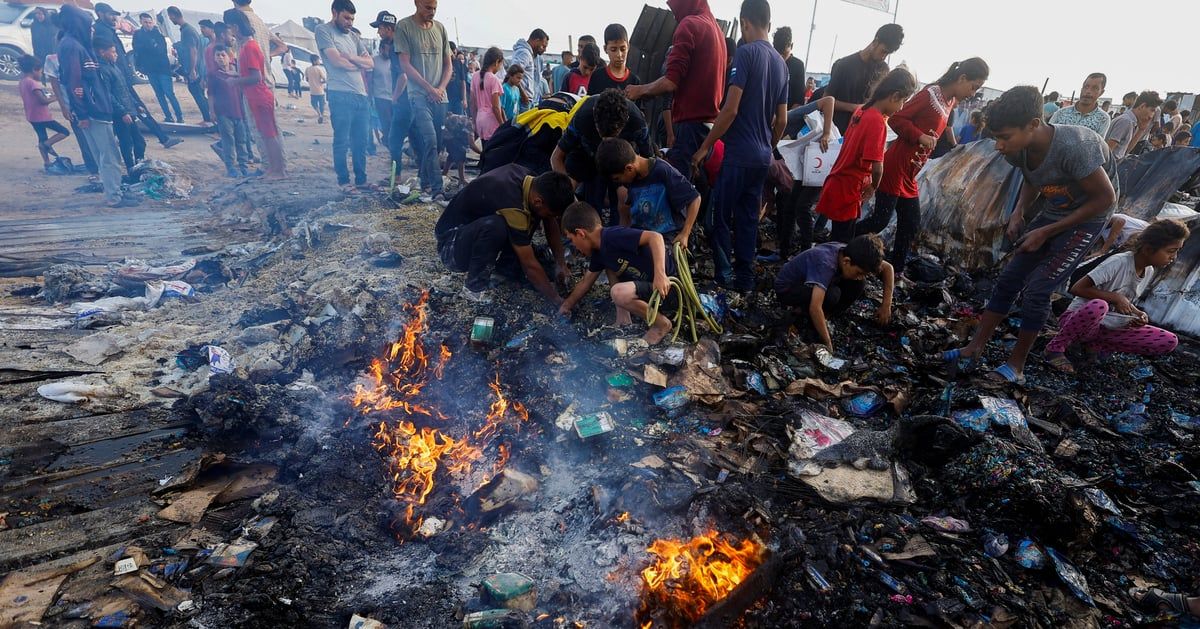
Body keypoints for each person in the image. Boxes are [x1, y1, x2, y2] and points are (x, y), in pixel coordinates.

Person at [945, 86, 1119, 385]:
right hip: (1054, 210)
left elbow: (1105, 199)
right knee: (1010, 278)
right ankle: (974, 348)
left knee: (1038, 289)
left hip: (1088, 217)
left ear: (1034, 125)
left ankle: (1016, 366)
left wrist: (1047, 231)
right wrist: (1019, 212)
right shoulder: (1017, 150)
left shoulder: (1075, 146)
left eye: (1005, 137)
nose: (999, 146)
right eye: (997, 137)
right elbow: (1032, 177)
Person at [856, 59, 989, 275]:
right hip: (895, 166)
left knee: (911, 221)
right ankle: (844, 236)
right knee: (880, 221)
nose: (973, 93)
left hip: (910, 173)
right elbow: (897, 118)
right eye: (973, 86)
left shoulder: (950, 102)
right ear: (962, 78)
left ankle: (895, 270)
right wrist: (920, 137)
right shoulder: (930, 94)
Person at [691, 0, 788, 292]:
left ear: (744, 23)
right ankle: (745, 280)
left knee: (717, 217)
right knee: (748, 218)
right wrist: (768, 145)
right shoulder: (782, 65)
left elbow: (730, 110)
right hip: (762, 157)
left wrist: (704, 147)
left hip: (738, 155)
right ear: (768, 23)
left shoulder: (746, 54)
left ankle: (724, 277)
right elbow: (781, 120)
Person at [1043, 219, 1187, 373]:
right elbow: (1077, 288)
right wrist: (1114, 298)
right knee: (1099, 305)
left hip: (1108, 326)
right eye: (1171, 251)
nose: (1174, 257)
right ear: (1148, 249)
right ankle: (1055, 348)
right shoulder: (1119, 262)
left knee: (1169, 340)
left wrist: (1137, 314)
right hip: (1079, 319)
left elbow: (1124, 300)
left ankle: (1097, 345)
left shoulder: (1149, 271)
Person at [434, 164, 575, 304]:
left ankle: (504, 270)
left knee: (529, 218)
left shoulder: (533, 182)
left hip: (471, 232)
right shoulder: (512, 201)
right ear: (538, 201)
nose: (550, 217)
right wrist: (556, 299)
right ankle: (474, 287)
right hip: (451, 247)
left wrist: (561, 264)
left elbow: (549, 221)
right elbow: (529, 264)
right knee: (495, 227)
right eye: (550, 213)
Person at [625, 0, 726, 182]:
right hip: (707, 131)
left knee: (676, 195)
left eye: (674, 8)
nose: (673, 14)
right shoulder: (716, 31)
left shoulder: (689, 25)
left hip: (689, 128)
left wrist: (639, 90)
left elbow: (671, 81)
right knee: (691, 193)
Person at [814, 69, 916, 243]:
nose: (901, 107)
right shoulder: (877, 122)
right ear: (894, 96)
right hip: (849, 189)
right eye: (903, 101)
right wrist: (873, 187)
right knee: (840, 246)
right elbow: (878, 168)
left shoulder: (861, 111)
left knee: (837, 239)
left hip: (837, 182)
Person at [558, 202, 678, 343]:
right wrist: (566, 306)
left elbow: (655, 237)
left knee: (618, 292)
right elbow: (586, 282)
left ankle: (661, 324)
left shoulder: (613, 236)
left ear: (580, 233)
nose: (575, 247)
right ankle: (623, 319)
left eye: (572, 240)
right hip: (650, 291)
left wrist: (660, 275)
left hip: (668, 289)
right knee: (609, 266)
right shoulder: (599, 252)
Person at [58, 4, 133, 207]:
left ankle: (114, 190)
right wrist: (81, 113)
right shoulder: (72, 47)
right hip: (93, 113)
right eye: (88, 26)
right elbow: (73, 82)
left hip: (93, 110)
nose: (92, 30)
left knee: (104, 155)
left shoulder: (78, 46)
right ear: (78, 25)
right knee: (109, 155)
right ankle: (114, 197)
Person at [774, 234, 894, 353]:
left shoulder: (852, 253)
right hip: (788, 289)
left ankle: (825, 316)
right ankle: (806, 317)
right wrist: (827, 342)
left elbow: (888, 268)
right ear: (847, 261)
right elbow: (815, 307)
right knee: (832, 295)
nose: (860, 276)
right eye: (859, 272)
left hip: (810, 285)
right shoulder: (826, 263)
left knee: (859, 283)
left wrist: (886, 305)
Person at [552, 88, 651, 220]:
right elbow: (556, 157)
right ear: (594, 117)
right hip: (587, 157)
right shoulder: (583, 118)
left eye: (613, 135)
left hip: (621, 162)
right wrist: (568, 193)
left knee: (623, 200)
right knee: (590, 203)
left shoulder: (636, 122)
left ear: (626, 121)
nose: (606, 141)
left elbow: (649, 161)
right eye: (602, 134)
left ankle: (619, 233)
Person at [95, 3, 179, 149]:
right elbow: (111, 57)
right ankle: (162, 138)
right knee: (135, 108)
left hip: (120, 77)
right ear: (100, 14)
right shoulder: (102, 32)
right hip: (117, 78)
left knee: (135, 108)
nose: (114, 18)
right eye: (110, 14)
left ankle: (161, 138)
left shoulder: (108, 30)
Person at [395, 0, 452, 202]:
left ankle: (424, 180)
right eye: (428, 7)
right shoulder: (404, 26)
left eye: (435, 8)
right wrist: (429, 88)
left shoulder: (441, 29)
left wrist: (441, 88)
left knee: (436, 143)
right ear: (417, 3)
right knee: (430, 140)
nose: (432, 12)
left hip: (440, 97)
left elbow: (448, 65)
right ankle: (437, 189)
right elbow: (405, 64)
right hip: (418, 95)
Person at [597, 137, 701, 247]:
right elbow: (626, 213)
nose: (619, 182)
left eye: (617, 179)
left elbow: (695, 199)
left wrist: (685, 234)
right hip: (644, 236)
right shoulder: (631, 179)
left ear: (629, 168)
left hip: (668, 237)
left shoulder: (662, 171)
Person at [316, 0, 373, 192]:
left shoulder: (354, 37)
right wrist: (357, 64)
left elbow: (370, 63)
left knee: (361, 141)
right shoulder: (323, 30)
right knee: (342, 140)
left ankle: (361, 180)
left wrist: (351, 58)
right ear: (335, 12)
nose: (350, 22)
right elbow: (336, 62)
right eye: (346, 17)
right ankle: (344, 181)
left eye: (352, 18)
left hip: (361, 95)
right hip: (339, 94)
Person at [223, 7, 285, 178]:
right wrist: (236, 75)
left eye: (229, 27)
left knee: (270, 135)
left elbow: (256, 77)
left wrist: (235, 81)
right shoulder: (247, 45)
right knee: (267, 134)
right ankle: (274, 168)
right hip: (256, 95)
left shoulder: (249, 47)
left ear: (235, 26)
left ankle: (278, 170)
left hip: (259, 95)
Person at [824, 24, 904, 134]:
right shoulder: (843, 65)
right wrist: (855, 108)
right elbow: (826, 100)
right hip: (836, 132)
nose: (884, 57)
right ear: (875, 42)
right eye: (883, 51)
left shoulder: (884, 70)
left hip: (862, 132)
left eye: (887, 54)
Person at [43, 41, 98, 178]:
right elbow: (55, 85)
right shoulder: (53, 59)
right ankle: (94, 169)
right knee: (84, 139)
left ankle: (98, 166)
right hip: (73, 107)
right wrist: (64, 107)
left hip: (91, 105)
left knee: (96, 138)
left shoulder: (84, 55)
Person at [95, 38, 146, 178]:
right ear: (102, 52)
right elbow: (108, 95)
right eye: (113, 51)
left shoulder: (113, 67)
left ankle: (138, 165)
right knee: (126, 143)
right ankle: (131, 169)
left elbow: (124, 89)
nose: (116, 54)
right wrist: (122, 112)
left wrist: (136, 104)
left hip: (128, 110)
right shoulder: (103, 70)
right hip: (119, 114)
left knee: (139, 141)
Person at [19, 55, 70, 171]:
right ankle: (47, 144)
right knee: (64, 131)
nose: (41, 74)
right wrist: (57, 96)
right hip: (42, 116)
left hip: (31, 116)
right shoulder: (33, 84)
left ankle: (47, 163)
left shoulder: (22, 82)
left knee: (41, 136)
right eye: (41, 72)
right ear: (34, 70)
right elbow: (42, 101)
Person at [209, 44, 251, 176]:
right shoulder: (213, 75)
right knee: (228, 141)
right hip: (223, 113)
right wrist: (212, 111)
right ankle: (231, 167)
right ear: (214, 58)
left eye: (223, 55)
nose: (221, 58)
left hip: (239, 111)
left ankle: (244, 166)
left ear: (229, 57)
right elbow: (210, 94)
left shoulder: (237, 73)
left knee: (241, 140)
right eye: (218, 55)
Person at [133, 13, 183, 123]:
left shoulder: (158, 35)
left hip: (163, 69)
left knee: (169, 93)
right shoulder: (138, 35)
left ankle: (179, 117)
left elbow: (160, 51)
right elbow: (136, 50)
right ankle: (168, 116)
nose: (148, 25)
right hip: (150, 70)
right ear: (141, 22)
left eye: (150, 22)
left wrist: (148, 47)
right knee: (159, 95)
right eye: (145, 22)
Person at [167, 6, 211, 122]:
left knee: (198, 95)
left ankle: (209, 119)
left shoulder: (187, 31)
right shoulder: (187, 30)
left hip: (195, 69)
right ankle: (209, 118)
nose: (170, 19)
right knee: (199, 94)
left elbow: (193, 51)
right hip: (195, 68)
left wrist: (192, 70)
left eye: (170, 17)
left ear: (173, 15)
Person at [232, 0, 287, 87]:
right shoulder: (259, 21)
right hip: (267, 80)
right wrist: (267, 55)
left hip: (251, 82)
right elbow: (283, 46)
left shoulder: (239, 21)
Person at [369, 11, 397, 151]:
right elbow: (369, 80)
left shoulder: (399, 56)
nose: (378, 32)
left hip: (396, 98)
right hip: (381, 98)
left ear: (388, 28)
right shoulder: (374, 61)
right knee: (386, 127)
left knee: (396, 127)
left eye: (380, 28)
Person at [1106, 91, 1162, 159]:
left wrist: (1141, 129)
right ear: (1142, 106)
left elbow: (1125, 151)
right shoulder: (1126, 122)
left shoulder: (1131, 122)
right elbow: (1107, 153)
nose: (1152, 115)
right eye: (1152, 110)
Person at [587, 24, 640, 95]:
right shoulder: (597, 77)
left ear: (628, 47)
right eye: (613, 49)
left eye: (623, 49)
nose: (619, 54)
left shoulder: (634, 81)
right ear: (605, 49)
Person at [471, 46, 505, 141]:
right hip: (492, 122)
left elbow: (473, 103)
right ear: (497, 62)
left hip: (479, 119)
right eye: (501, 64)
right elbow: (495, 107)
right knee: (493, 153)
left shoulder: (475, 76)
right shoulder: (494, 80)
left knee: (485, 151)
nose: (500, 67)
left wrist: (474, 121)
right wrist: (502, 125)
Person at [512, 29, 549, 108]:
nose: (544, 50)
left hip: (532, 101)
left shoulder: (538, 58)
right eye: (543, 46)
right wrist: (523, 94)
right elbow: (513, 73)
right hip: (522, 100)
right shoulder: (524, 53)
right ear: (536, 41)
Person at [772, 26, 805, 109]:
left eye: (784, 53)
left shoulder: (798, 66)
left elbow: (799, 101)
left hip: (788, 115)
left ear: (792, 46)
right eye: (777, 53)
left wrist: (785, 117)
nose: (781, 57)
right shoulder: (769, 62)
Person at [441, 112, 473, 184]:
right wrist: (481, 152)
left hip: (450, 135)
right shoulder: (468, 125)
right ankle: (461, 179)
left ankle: (444, 173)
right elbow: (472, 144)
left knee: (451, 156)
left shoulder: (464, 120)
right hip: (453, 136)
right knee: (461, 158)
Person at [446, 42, 468, 116]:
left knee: (459, 121)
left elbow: (463, 82)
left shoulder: (459, 63)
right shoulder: (443, 63)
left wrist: (464, 99)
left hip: (458, 98)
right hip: (446, 98)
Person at [305, 54, 327, 123]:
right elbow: (324, 79)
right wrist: (321, 82)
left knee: (314, 103)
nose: (319, 61)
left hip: (312, 90)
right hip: (320, 90)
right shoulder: (319, 69)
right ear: (314, 61)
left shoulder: (308, 69)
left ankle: (319, 114)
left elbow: (307, 79)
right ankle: (322, 116)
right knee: (322, 104)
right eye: (318, 60)